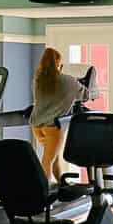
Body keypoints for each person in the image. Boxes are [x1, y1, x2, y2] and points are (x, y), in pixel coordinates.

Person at [29, 47, 89, 181]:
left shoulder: (38, 80)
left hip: (37, 126)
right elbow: (85, 95)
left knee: (53, 158)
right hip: (53, 128)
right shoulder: (69, 81)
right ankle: (44, 197)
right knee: (47, 161)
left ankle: (62, 184)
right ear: (57, 62)